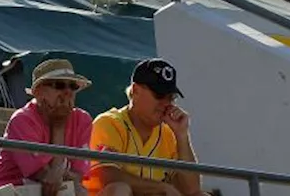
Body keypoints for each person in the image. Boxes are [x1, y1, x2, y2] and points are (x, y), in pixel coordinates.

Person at [84, 59, 204, 196]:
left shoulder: (169, 133)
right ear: (135, 90)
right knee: (120, 189)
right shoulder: (109, 123)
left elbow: (192, 190)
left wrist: (182, 135)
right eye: (159, 95)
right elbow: (108, 175)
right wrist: (161, 188)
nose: (166, 103)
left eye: (171, 97)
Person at [0, 59, 93, 196]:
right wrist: (59, 126)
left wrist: (58, 126)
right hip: (12, 188)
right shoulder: (22, 119)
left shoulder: (83, 120)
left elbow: (77, 176)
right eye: (59, 85)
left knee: (78, 192)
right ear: (38, 92)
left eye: (73, 86)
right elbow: (45, 177)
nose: (68, 92)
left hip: (54, 189)